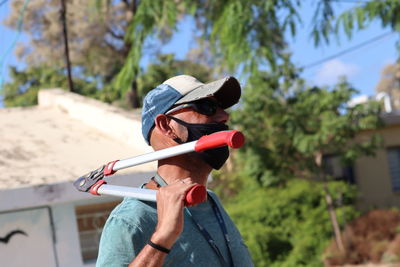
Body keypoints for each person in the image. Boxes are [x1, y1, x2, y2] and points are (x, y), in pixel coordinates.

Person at [96, 75, 253, 267]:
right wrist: (163, 237)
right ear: (166, 126)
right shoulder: (130, 220)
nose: (224, 116)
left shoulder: (211, 201)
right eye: (206, 107)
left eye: (221, 107)